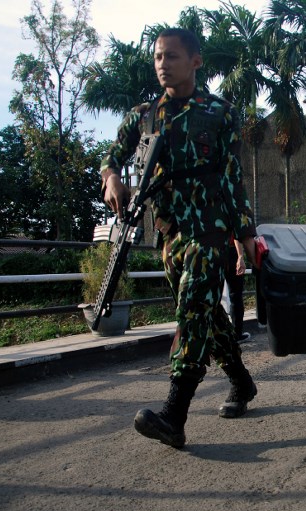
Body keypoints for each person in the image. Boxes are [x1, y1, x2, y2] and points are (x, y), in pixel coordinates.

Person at [100, 28, 258, 448]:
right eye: (157, 57)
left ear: (195, 61)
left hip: (210, 229)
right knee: (208, 316)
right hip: (169, 233)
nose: (162, 64)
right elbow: (111, 158)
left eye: (171, 56)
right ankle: (242, 383)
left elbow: (232, 179)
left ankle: (175, 413)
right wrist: (113, 178)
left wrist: (245, 235)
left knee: (191, 312)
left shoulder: (220, 113)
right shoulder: (144, 115)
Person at [224, 237, 251, 343]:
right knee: (236, 295)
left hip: (214, 252)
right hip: (231, 251)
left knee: (213, 295)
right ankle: (237, 334)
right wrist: (240, 256)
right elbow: (236, 234)